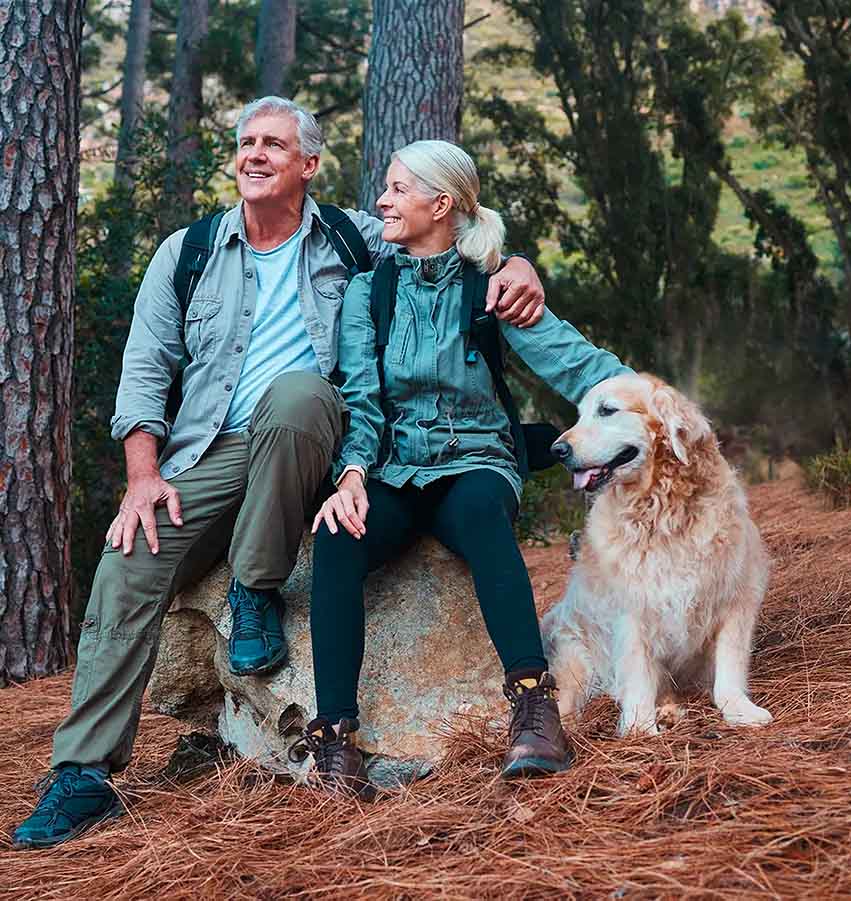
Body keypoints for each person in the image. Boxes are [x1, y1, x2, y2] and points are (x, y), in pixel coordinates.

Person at [12, 98, 547, 849]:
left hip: (315, 445)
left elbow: (448, 238)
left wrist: (517, 265)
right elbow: (145, 370)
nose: (255, 154)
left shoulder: (356, 239)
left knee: (297, 395)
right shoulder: (188, 251)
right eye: (247, 142)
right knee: (130, 559)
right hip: (210, 449)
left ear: (309, 165)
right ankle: (83, 774)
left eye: (274, 144)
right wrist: (143, 475)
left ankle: (254, 588)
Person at [294, 140, 633, 799]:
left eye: (398, 189)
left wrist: (650, 404)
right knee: (338, 533)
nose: (382, 201)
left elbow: (576, 364)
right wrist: (353, 476)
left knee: (480, 512)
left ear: (441, 203)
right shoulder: (370, 292)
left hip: (476, 458)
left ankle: (534, 708)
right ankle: (335, 740)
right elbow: (360, 397)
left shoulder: (491, 285)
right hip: (393, 468)